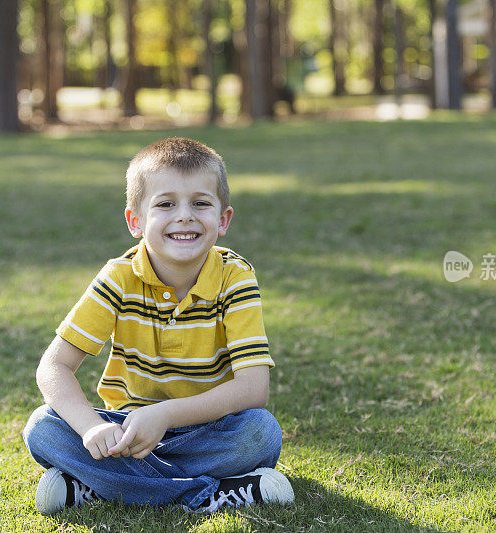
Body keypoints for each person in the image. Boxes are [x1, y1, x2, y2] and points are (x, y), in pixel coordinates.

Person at [22, 137, 294, 515]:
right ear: (135, 221)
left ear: (224, 219)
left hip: (206, 430)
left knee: (260, 433)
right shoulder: (118, 278)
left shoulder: (235, 278)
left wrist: (164, 415)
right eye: (165, 204)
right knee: (42, 427)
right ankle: (208, 494)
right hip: (126, 432)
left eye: (201, 203)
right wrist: (91, 429)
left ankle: (99, 487)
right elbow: (53, 367)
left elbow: (253, 389)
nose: (184, 216)